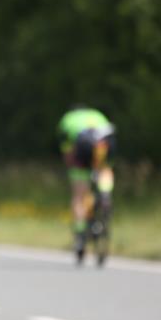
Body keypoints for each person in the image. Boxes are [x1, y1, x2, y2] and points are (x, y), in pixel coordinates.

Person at [57, 105, 116, 260]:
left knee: (79, 196)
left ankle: (80, 234)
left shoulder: (68, 119)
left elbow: (67, 151)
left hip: (83, 145)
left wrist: (73, 168)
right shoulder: (97, 114)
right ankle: (105, 193)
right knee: (104, 169)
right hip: (103, 143)